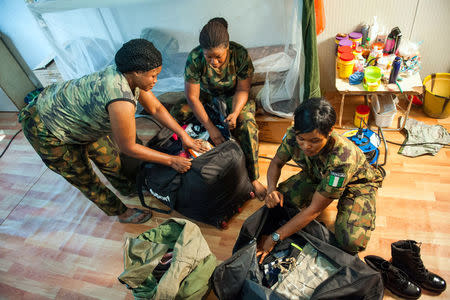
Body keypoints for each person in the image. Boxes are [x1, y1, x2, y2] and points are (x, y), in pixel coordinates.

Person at [18, 39, 207, 224]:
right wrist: (172, 160)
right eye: (153, 76)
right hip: (47, 127)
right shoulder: (120, 99)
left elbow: (156, 109)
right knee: (85, 177)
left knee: (110, 159)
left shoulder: (128, 76)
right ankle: (121, 212)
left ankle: (128, 188)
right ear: (136, 72)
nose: (156, 81)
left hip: (79, 119)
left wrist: (184, 137)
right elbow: (129, 148)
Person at [257, 97, 383, 262]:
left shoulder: (342, 159)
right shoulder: (294, 134)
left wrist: (275, 237)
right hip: (317, 174)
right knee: (281, 203)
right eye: (301, 139)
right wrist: (271, 189)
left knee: (350, 241)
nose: (306, 146)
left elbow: (314, 210)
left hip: (356, 185)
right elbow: (276, 163)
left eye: (314, 141)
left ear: (329, 131)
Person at [170, 17, 266, 200]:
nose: (213, 62)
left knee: (246, 124)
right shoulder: (195, 57)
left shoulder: (240, 54)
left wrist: (236, 112)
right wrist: (211, 129)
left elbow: (243, 89)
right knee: (177, 113)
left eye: (218, 57)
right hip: (206, 95)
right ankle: (182, 153)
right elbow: (192, 97)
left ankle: (253, 178)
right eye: (209, 57)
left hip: (233, 95)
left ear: (227, 47)